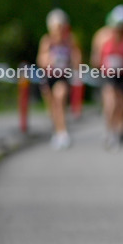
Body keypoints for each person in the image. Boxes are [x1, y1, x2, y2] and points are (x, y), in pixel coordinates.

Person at [91, 5, 123, 149]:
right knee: (111, 101)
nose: (119, 28)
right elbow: (95, 59)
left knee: (122, 103)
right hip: (108, 75)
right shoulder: (102, 36)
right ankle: (110, 130)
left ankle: (120, 128)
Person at [37, 8, 81, 150]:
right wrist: (49, 60)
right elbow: (41, 60)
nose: (59, 30)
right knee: (52, 107)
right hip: (48, 77)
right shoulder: (47, 41)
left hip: (62, 77)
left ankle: (63, 132)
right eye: (56, 27)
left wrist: (76, 67)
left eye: (61, 26)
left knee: (60, 98)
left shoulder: (69, 40)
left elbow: (76, 56)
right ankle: (57, 131)